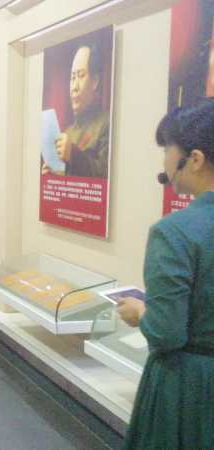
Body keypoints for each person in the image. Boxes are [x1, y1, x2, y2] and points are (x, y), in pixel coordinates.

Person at [115, 101, 214, 449]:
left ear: (195, 159)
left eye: (167, 150)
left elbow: (166, 332)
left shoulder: (174, 232)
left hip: (189, 389)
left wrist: (141, 312)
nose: (164, 162)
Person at [44, 43, 109, 178]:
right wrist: (53, 174)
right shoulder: (68, 132)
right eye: (72, 78)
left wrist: (73, 155)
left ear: (95, 81)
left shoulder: (107, 124)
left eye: (81, 75)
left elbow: (106, 175)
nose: (74, 87)